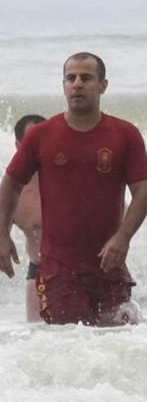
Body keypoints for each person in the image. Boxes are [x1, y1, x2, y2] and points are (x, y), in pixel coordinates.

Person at [0, 52, 147, 326]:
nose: (77, 84)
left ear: (103, 85)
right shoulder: (41, 135)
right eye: (70, 78)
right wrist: (2, 233)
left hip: (110, 267)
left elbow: (143, 191)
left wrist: (123, 236)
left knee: (122, 341)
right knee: (72, 343)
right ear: (63, 86)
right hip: (59, 272)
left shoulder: (125, 134)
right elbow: (11, 184)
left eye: (86, 78)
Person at [10, 114, 46, 322]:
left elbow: (117, 210)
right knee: (38, 337)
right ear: (18, 146)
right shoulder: (12, 193)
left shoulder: (74, 178)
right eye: (33, 140)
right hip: (39, 273)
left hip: (81, 270)